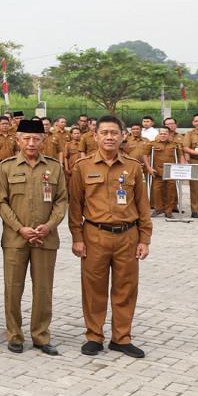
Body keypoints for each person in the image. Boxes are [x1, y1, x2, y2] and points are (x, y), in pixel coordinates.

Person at [68, 115, 152, 358]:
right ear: (95, 136)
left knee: (126, 289)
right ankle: (94, 336)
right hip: (95, 235)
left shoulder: (133, 167)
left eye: (114, 133)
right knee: (94, 289)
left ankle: (121, 338)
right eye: (104, 133)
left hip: (128, 236)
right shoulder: (83, 166)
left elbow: (143, 205)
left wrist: (144, 239)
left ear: (122, 136)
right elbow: (75, 206)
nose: (109, 137)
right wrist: (77, 237)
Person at [0, 119, 67, 355]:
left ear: (43, 141)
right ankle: (14, 335)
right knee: (13, 289)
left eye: (36, 139)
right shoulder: (6, 167)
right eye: (26, 138)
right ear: (18, 140)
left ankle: (41, 336)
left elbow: (62, 201)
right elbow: (1, 202)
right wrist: (20, 228)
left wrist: (48, 226)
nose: (31, 143)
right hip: (15, 240)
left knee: (43, 290)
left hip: (46, 239)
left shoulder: (54, 167)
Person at [143, 127, 180, 218]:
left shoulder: (175, 145)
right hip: (157, 172)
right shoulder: (152, 144)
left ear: (169, 135)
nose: (163, 135)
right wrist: (149, 168)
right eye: (161, 134)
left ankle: (168, 211)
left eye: (165, 134)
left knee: (171, 192)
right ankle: (159, 209)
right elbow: (145, 156)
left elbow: (180, 156)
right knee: (157, 192)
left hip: (171, 172)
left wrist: (181, 168)